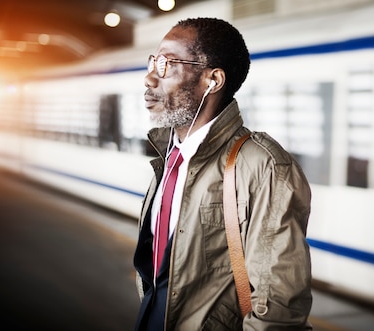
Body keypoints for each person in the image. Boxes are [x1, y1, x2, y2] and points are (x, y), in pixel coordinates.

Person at [133, 17, 313, 330]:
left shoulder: (263, 165)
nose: (150, 78)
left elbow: (278, 310)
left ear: (212, 81)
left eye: (167, 64)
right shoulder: (169, 154)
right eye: (154, 61)